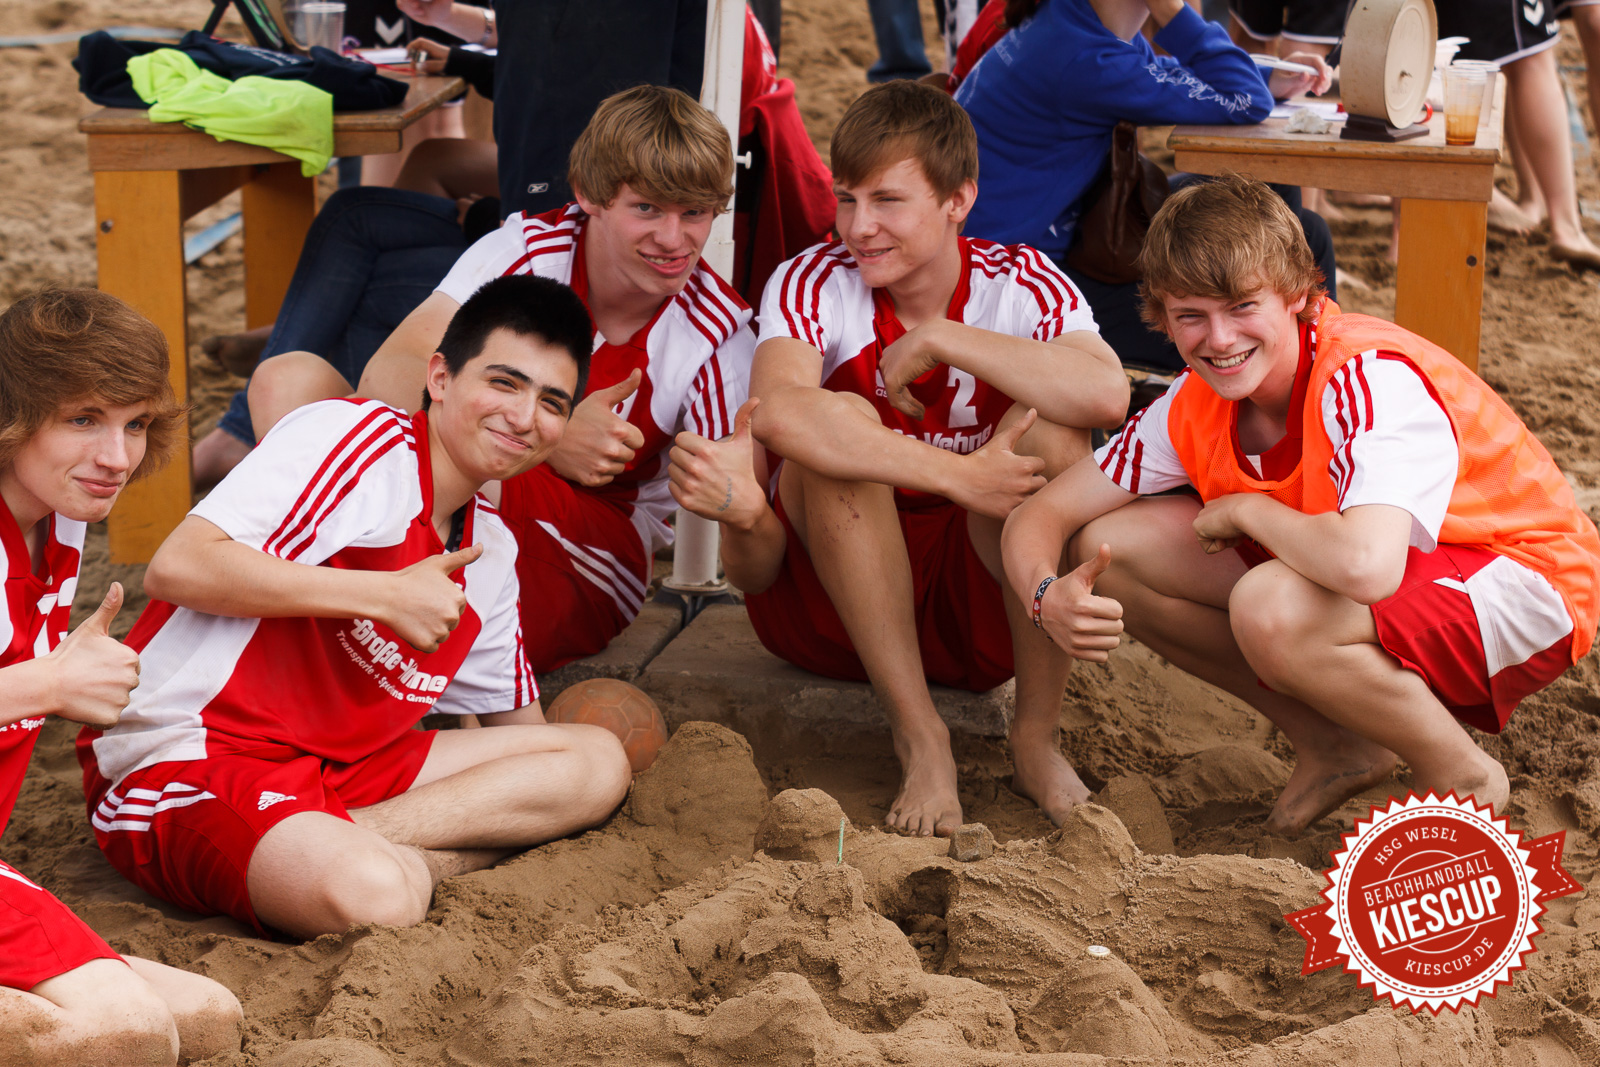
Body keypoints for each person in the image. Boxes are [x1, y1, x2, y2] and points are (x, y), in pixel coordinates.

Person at [1003, 175, 1600, 835]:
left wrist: (1248, 512)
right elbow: (1043, 515)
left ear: (1296, 295)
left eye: (1241, 307)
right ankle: (1336, 745)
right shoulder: (1193, 402)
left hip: (1530, 581)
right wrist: (1044, 593)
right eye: (1190, 315)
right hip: (1407, 569)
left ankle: (1463, 772)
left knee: (1270, 604)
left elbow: (1367, 569)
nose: (1219, 338)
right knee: (1113, 550)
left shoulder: (1363, 376)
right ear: (1160, 319)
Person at [78, 276, 633, 940]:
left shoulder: (491, 547)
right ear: (440, 377)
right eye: (505, 383)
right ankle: (376, 858)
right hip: (191, 754)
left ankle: (362, 845)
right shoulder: (360, 439)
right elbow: (178, 566)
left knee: (596, 763)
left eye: (552, 402)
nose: (524, 417)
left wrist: (547, 798)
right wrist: (382, 594)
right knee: (374, 894)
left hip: (344, 777)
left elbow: (526, 740)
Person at [249, 85, 759, 674]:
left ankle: (331, 629)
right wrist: (554, 436)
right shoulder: (529, 248)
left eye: (694, 213)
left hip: (591, 553)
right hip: (475, 492)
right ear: (589, 197)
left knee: (471, 458)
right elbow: (390, 376)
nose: (674, 240)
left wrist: (744, 504)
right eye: (646, 209)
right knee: (286, 380)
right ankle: (330, 607)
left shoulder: (718, 336)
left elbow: (750, 547)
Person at [745, 81, 1130, 837]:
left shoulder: (1019, 281)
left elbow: (1106, 393)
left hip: (979, 600)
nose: (859, 226)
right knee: (832, 431)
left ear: (959, 200)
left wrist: (944, 338)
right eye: (846, 199)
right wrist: (958, 473)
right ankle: (921, 737)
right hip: (831, 604)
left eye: (888, 201)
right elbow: (779, 413)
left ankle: (1034, 737)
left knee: (1056, 441)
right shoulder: (809, 280)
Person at [0, 289, 241, 1065]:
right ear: (14, 416)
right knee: (125, 1032)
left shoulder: (58, 510)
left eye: (135, 423)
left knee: (206, 1016)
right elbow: (40, 684)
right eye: (83, 419)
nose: (117, 456)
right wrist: (46, 684)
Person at [953, 0, 1334, 371]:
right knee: (1271, 209)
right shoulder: (1087, 60)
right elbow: (1246, 100)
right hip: (1016, 281)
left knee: (1298, 226)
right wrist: (1172, 12)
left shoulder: (1074, 18)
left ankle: (1301, 370)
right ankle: (1294, 374)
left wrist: (1267, 74)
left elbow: (1162, 71)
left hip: (1048, 239)